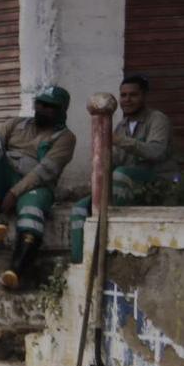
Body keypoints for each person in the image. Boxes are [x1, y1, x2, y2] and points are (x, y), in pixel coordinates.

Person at [0, 86, 77, 289]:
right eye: (40, 104)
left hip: (34, 187)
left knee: (33, 211)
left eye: (50, 106)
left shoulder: (65, 138)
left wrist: (14, 193)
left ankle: (16, 270)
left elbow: (44, 172)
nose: (43, 109)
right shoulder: (15, 124)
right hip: (4, 179)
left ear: (61, 110)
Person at [69, 74, 178, 263]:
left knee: (120, 176)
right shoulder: (121, 126)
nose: (127, 100)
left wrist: (122, 141)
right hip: (128, 183)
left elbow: (156, 152)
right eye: (123, 95)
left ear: (144, 96)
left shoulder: (157, 119)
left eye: (133, 95)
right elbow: (116, 160)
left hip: (160, 185)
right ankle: (80, 262)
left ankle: (113, 250)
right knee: (79, 208)